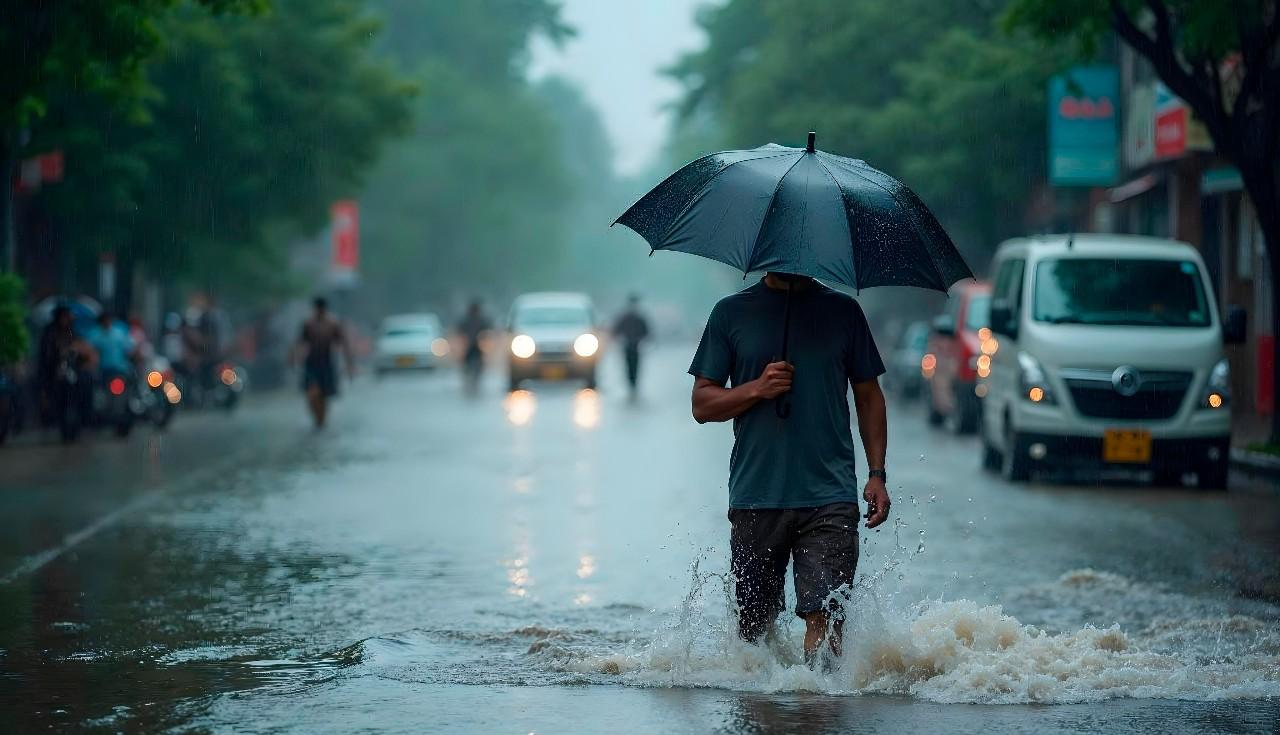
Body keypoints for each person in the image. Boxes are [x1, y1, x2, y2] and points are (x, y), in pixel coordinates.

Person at [688, 272, 890, 668]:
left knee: (826, 615)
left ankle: (818, 701)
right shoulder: (730, 313)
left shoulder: (844, 312)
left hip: (830, 495)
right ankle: (766, 703)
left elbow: (869, 396)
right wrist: (757, 388)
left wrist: (877, 473)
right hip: (755, 494)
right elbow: (702, 404)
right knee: (754, 629)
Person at [294, 297, 354, 428]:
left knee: (324, 395)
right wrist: (296, 358)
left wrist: (349, 365)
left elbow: (344, 344)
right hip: (311, 362)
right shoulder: (308, 323)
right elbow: (300, 343)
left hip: (326, 362)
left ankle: (321, 420)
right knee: (312, 393)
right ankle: (317, 418)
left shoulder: (333, 323)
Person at [612, 294, 651, 398]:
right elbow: (616, 331)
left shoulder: (640, 319)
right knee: (628, 366)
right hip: (627, 347)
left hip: (636, 347)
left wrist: (640, 340)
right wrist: (622, 339)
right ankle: (631, 385)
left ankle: (633, 385)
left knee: (635, 367)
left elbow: (647, 332)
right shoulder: (625, 318)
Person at [84, 311, 137, 379]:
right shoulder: (95, 334)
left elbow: (129, 349)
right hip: (102, 369)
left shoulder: (119, 333)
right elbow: (88, 349)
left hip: (119, 368)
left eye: (109, 320)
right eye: (105, 320)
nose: (107, 322)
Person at [455, 299, 492, 395]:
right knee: (470, 367)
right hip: (471, 347)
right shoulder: (473, 320)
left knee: (475, 367)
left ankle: (472, 383)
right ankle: (471, 383)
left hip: (475, 347)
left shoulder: (476, 320)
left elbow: (487, 331)